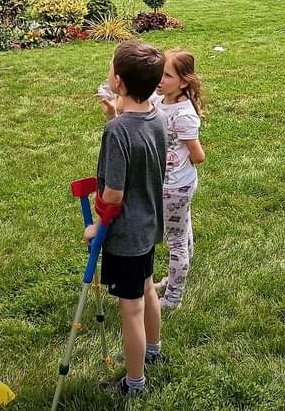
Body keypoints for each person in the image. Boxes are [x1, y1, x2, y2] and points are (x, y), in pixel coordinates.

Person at [89, 40, 168, 396]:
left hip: (126, 234)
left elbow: (114, 194)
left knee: (131, 307)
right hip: (149, 223)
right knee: (147, 286)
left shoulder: (117, 133)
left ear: (118, 82)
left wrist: (98, 225)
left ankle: (134, 383)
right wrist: (114, 114)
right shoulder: (158, 116)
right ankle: (154, 351)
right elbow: (137, 141)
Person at [150, 49, 205, 310]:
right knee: (183, 231)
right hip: (167, 184)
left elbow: (198, 155)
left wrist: (176, 163)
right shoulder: (160, 100)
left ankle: (173, 298)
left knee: (176, 241)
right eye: (159, 73)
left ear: (183, 82)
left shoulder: (184, 115)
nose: (159, 80)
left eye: (167, 76)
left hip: (175, 187)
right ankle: (174, 279)